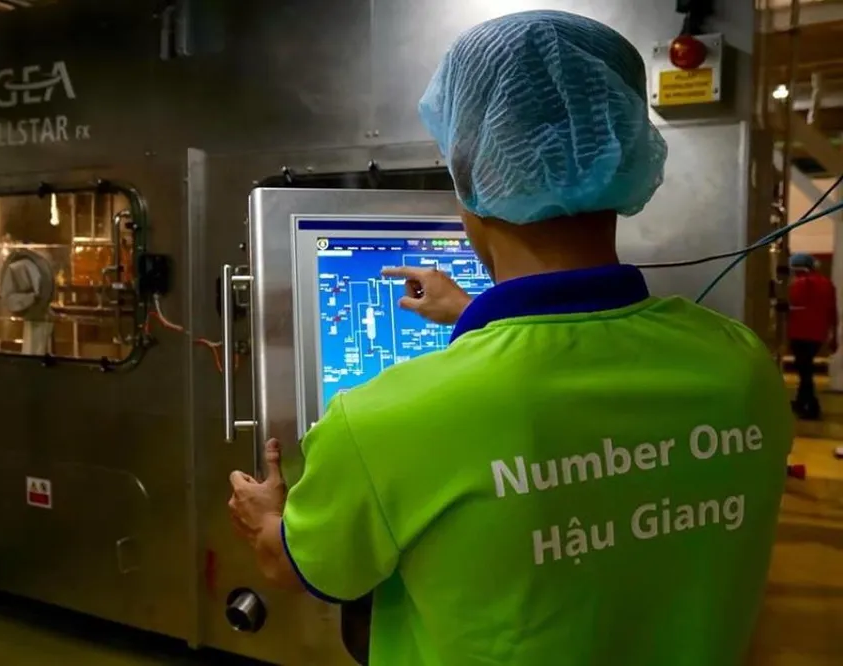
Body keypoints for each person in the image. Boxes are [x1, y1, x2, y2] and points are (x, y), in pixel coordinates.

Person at [228, 10, 793, 666]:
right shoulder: (741, 365)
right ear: (621, 152)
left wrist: (266, 517)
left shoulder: (382, 423)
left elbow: (297, 565)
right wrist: (476, 313)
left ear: (468, 175)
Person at [787, 252, 838, 420]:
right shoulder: (827, 284)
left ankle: (811, 406)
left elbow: (792, 304)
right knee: (806, 368)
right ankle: (801, 401)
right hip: (818, 334)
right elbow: (832, 311)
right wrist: (834, 336)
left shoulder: (800, 283)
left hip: (800, 332)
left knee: (804, 371)